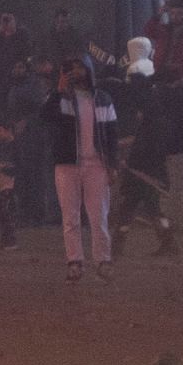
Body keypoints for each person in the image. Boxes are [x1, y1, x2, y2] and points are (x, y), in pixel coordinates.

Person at [49, 56, 116, 270]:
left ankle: (103, 260)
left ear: (89, 70)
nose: (76, 72)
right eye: (71, 68)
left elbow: (112, 134)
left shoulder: (103, 99)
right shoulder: (61, 99)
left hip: (96, 164)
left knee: (99, 215)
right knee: (71, 216)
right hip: (67, 165)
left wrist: (112, 165)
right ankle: (75, 261)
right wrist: (58, 91)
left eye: (80, 67)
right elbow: (44, 117)